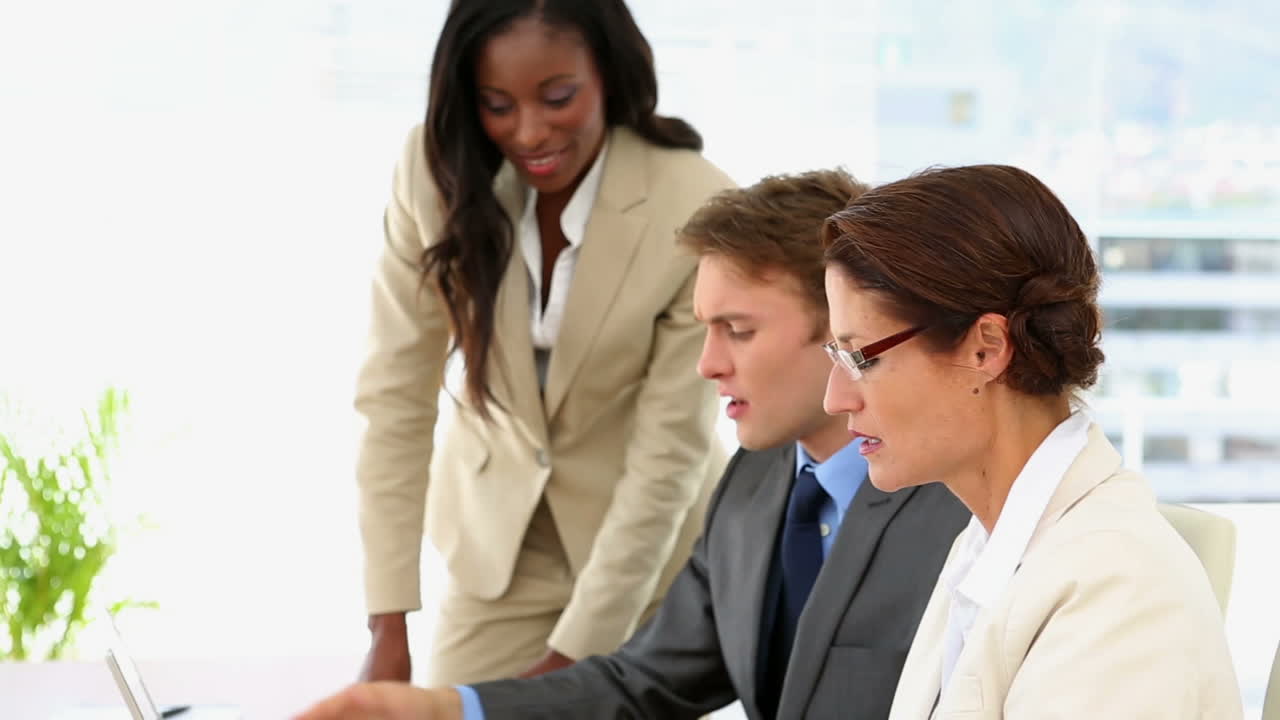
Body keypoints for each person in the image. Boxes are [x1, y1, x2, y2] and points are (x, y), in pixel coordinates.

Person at [298, 169, 971, 720]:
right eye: (705, 330)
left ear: (840, 327)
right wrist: (445, 709)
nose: (707, 364)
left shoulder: (957, 500)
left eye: (738, 330)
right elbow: (644, 684)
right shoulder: (754, 484)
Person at [355, 0, 735, 686]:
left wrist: (568, 666)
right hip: (500, 547)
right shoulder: (432, 173)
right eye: (497, 105)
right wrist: (388, 625)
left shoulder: (692, 202)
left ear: (607, 73)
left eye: (558, 98)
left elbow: (669, 452)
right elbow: (394, 401)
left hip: (649, 551)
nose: (529, 132)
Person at [819, 164, 1242, 719]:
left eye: (861, 358)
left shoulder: (1118, 588)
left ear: (987, 349)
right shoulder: (986, 546)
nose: (835, 399)